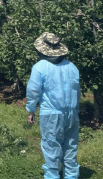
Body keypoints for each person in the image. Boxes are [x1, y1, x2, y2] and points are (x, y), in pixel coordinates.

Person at [26, 32, 81, 179]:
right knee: (70, 147)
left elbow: (33, 91)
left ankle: (52, 176)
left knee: (51, 147)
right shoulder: (72, 67)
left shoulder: (40, 67)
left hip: (51, 114)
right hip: (72, 114)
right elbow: (77, 92)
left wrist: (31, 110)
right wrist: (76, 111)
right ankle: (71, 176)